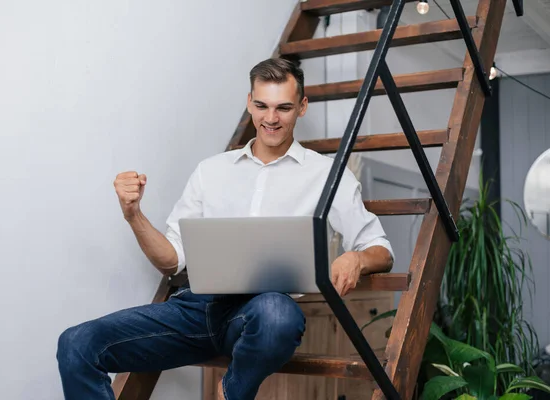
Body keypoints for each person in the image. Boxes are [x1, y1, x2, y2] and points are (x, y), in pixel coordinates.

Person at [56, 58, 394, 400]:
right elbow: (171, 261)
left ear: (302, 107)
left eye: (283, 108)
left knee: (278, 314)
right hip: (195, 309)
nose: (271, 118)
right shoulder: (211, 170)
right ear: (249, 102)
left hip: (263, 317)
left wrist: (357, 259)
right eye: (261, 106)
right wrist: (134, 215)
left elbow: (379, 247)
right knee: (76, 343)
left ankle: (231, 392)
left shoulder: (326, 174)